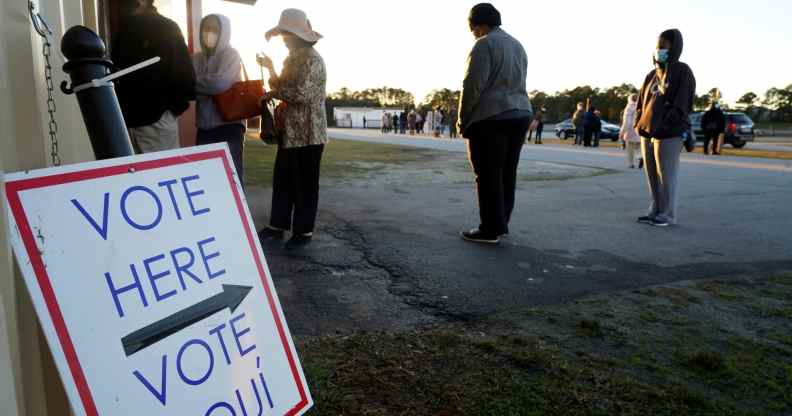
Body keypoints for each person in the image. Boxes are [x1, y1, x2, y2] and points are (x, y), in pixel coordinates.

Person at [458, 3, 532, 245]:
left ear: (477, 24)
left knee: (488, 174)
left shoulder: (484, 44)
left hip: (493, 116)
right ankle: (501, 223)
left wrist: (462, 119)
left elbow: (472, 85)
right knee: (506, 173)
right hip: (520, 113)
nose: (473, 33)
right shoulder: (517, 45)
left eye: (472, 28)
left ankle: (490, 229)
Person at [256, 9, 328, 249]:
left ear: (298, 36)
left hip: (309, 134)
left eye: (287, 34)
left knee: (305, 186)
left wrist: (275, 92)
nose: (284, 39)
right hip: (290, 132)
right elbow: (281, 84)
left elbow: (301, 94)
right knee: (283, 180)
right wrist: (269, 68)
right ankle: (277, 226)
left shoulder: (312, 60)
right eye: (283, 34)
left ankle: (303, 231)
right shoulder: (291, 58)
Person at [111, 0, 195, 154]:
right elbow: (185, 79)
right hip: (145, 123)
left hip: (137, 122)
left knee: (144, 174)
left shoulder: (124, 30)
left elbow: (184, 78)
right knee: (162, 173)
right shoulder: (163, 27)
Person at [635, 29, 696, 227]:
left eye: (664, 46)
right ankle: (655, 209)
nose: (659, 50)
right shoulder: (651, 75)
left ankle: (668, 214)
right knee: (651, 174)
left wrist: (667, 122)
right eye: (657, 46)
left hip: (669, 133)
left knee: (667, 175)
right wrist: (639, 123)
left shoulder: (682, 71)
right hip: (647, 132)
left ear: (674, 47)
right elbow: (641, 103)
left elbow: (682, 103)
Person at [193, 14, 246, 183]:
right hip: (204, 127)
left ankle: (236, 211)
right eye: (205, 28)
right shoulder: (196, 58)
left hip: (229, 127)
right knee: (205, 178)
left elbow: (219, 83)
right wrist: (203, 85)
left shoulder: (231, 55)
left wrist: (195, 84)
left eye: (215, 29)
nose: (209, 33)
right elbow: (189, 86)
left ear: (224, 32)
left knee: (231, 178)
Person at [620, 94, 643, 168]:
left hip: (630, 130)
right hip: (639, 129)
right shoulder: (641, 106)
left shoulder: (629, 107)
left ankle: (631, 163)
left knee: (630, 148)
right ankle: (640, 157)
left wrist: (622, 131)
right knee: (639, 147)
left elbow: (627, 121)